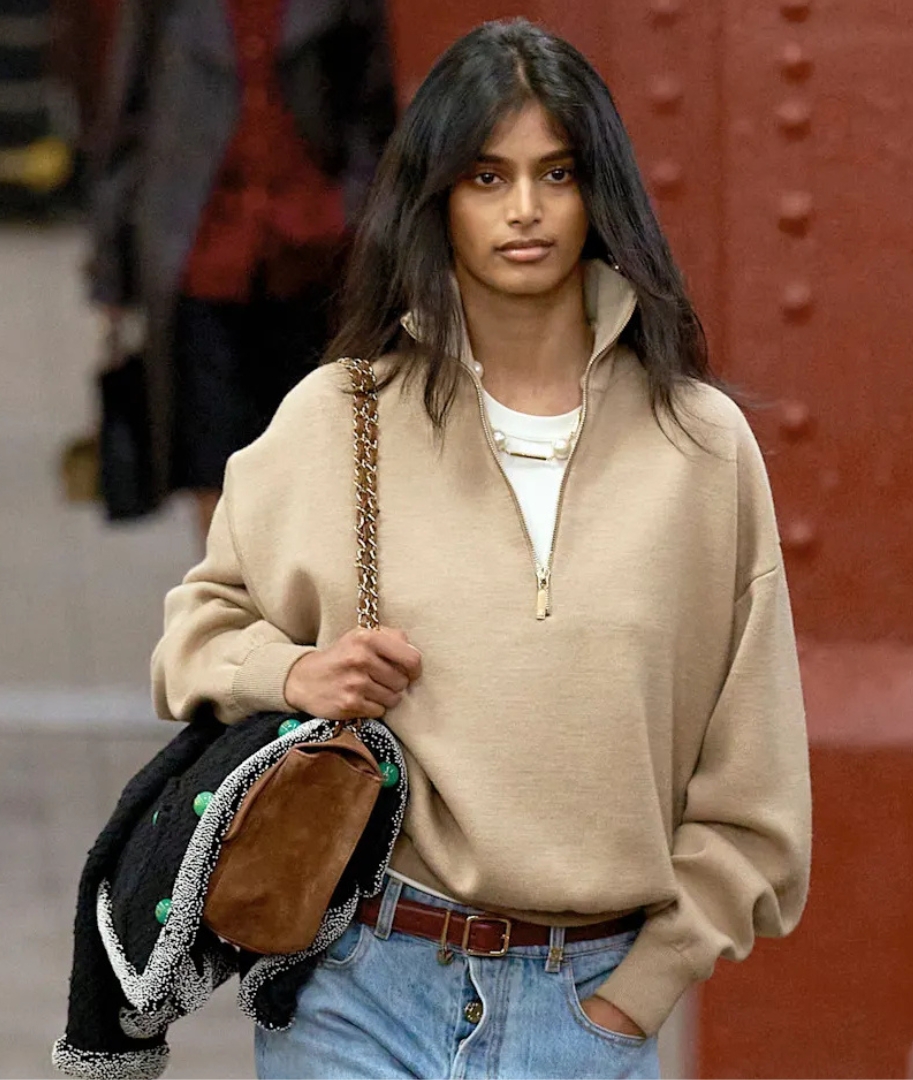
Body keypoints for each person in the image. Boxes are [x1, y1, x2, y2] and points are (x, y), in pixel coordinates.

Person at [151, 18, 812, 1080]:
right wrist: (292, 669)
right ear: (436, 198)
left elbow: (757, 775)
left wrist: (639, 996)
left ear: (600, 193)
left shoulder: (701, 449)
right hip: (360, 990)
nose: (525, 210)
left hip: (587, 1010)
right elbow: (195, 633)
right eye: (486, 176)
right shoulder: (341, 416)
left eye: (556, 173)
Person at [87, 0, 396, 537]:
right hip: (199, 243)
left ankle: (292, 605)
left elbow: (373, 113)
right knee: (212, 462)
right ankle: (232, 609)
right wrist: (112, 263)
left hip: (314, 254)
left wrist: (354, 211)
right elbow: (129, 114)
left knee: (312, 457)